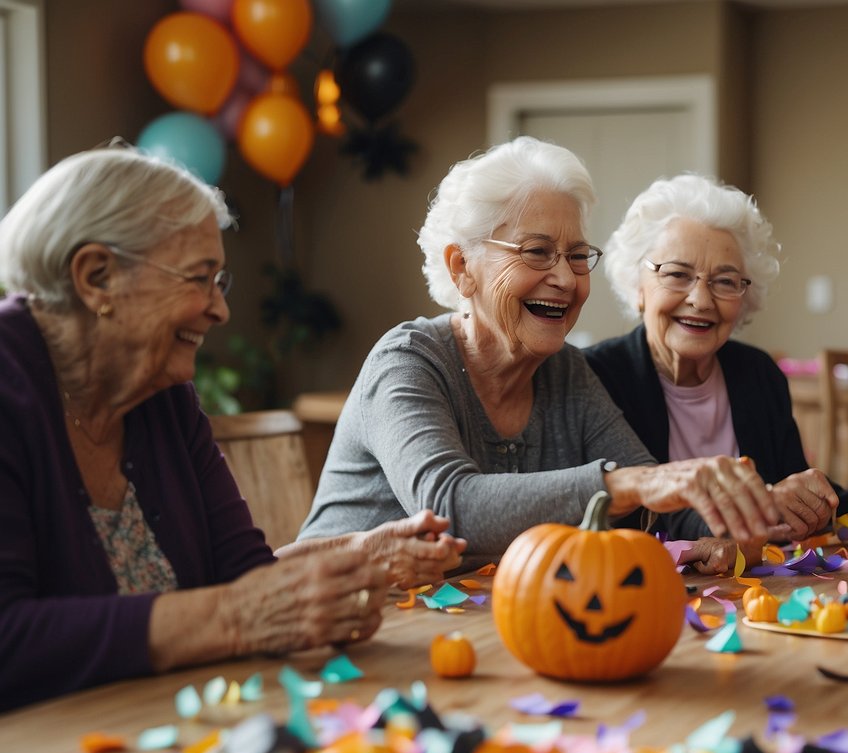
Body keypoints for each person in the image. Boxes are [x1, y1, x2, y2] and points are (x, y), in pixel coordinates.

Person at [0, 146, 464, 713]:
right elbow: (10, 638)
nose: (219, 310)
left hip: (157, 728)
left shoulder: (164, 398)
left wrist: (355, 555)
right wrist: (237, 618)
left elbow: (244, 580)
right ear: (97, 278)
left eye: (221, 281)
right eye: (199, 279)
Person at [299, 138, 782, 564]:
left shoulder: (566, 372)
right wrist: (626, 485)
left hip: (472, 632)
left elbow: (657, 507)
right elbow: (449, 506)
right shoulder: (408, 362)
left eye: (576, 255)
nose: (567, 279)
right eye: (536, 252)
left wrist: (744, 519)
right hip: (338, 630)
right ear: (462, 266)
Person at [584, 174, 848, 572]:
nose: (700, 299)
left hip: (753, 602)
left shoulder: (757, 374)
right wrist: (766, 505)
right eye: (677, 274)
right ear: (637, 285)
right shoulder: (599, 376)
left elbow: (799, 499)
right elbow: (625, 514)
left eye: (724, 281)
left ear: (744, 299)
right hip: (644, 596)